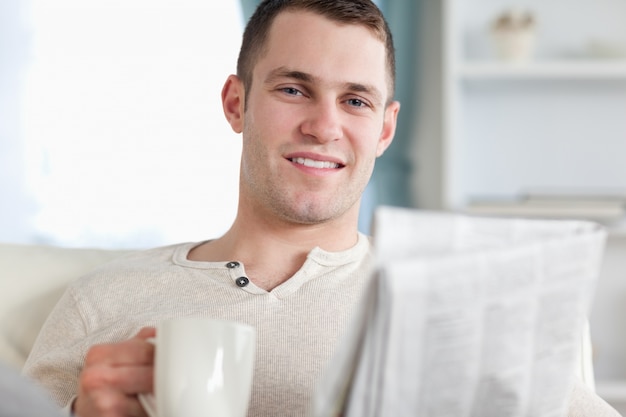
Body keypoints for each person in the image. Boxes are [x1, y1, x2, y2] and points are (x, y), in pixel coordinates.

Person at [21, 1, 621, 417]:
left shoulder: (461, 303)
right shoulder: (102, 302)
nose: (323, 126)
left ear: (385, 129)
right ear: (237, 103)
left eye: (355, 100)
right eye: (292, 89)